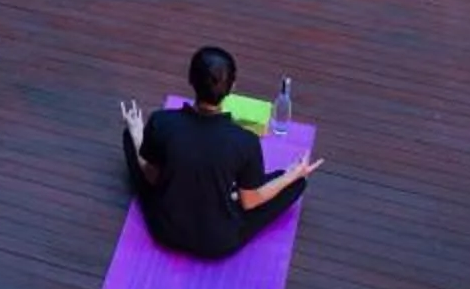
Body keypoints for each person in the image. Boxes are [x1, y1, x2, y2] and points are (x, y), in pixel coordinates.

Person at [118, 47, 325, 261]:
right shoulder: (245, 141)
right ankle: (240, 188)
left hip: (166, 230)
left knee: (132, 136)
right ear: (232, 87)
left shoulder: (161, 121)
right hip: (217, 241)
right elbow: (250, 202)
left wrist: (136, 133)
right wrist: (292, 175)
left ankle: (136, 135)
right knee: (295, 183)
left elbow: (152, 177)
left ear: (190, 79)